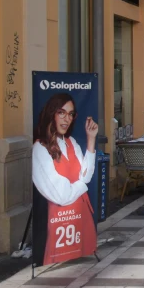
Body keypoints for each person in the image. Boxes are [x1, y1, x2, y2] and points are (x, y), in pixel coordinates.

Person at [32, 93, 98, 266]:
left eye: (70, 114)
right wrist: (82, 184)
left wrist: (91, 140)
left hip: (81, 220)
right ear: (51, 113)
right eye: (61, 112)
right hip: (59, 224)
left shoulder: (71, 142)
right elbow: (61, 195)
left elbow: (87, 174)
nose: (66, 118)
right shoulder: (40, 148)